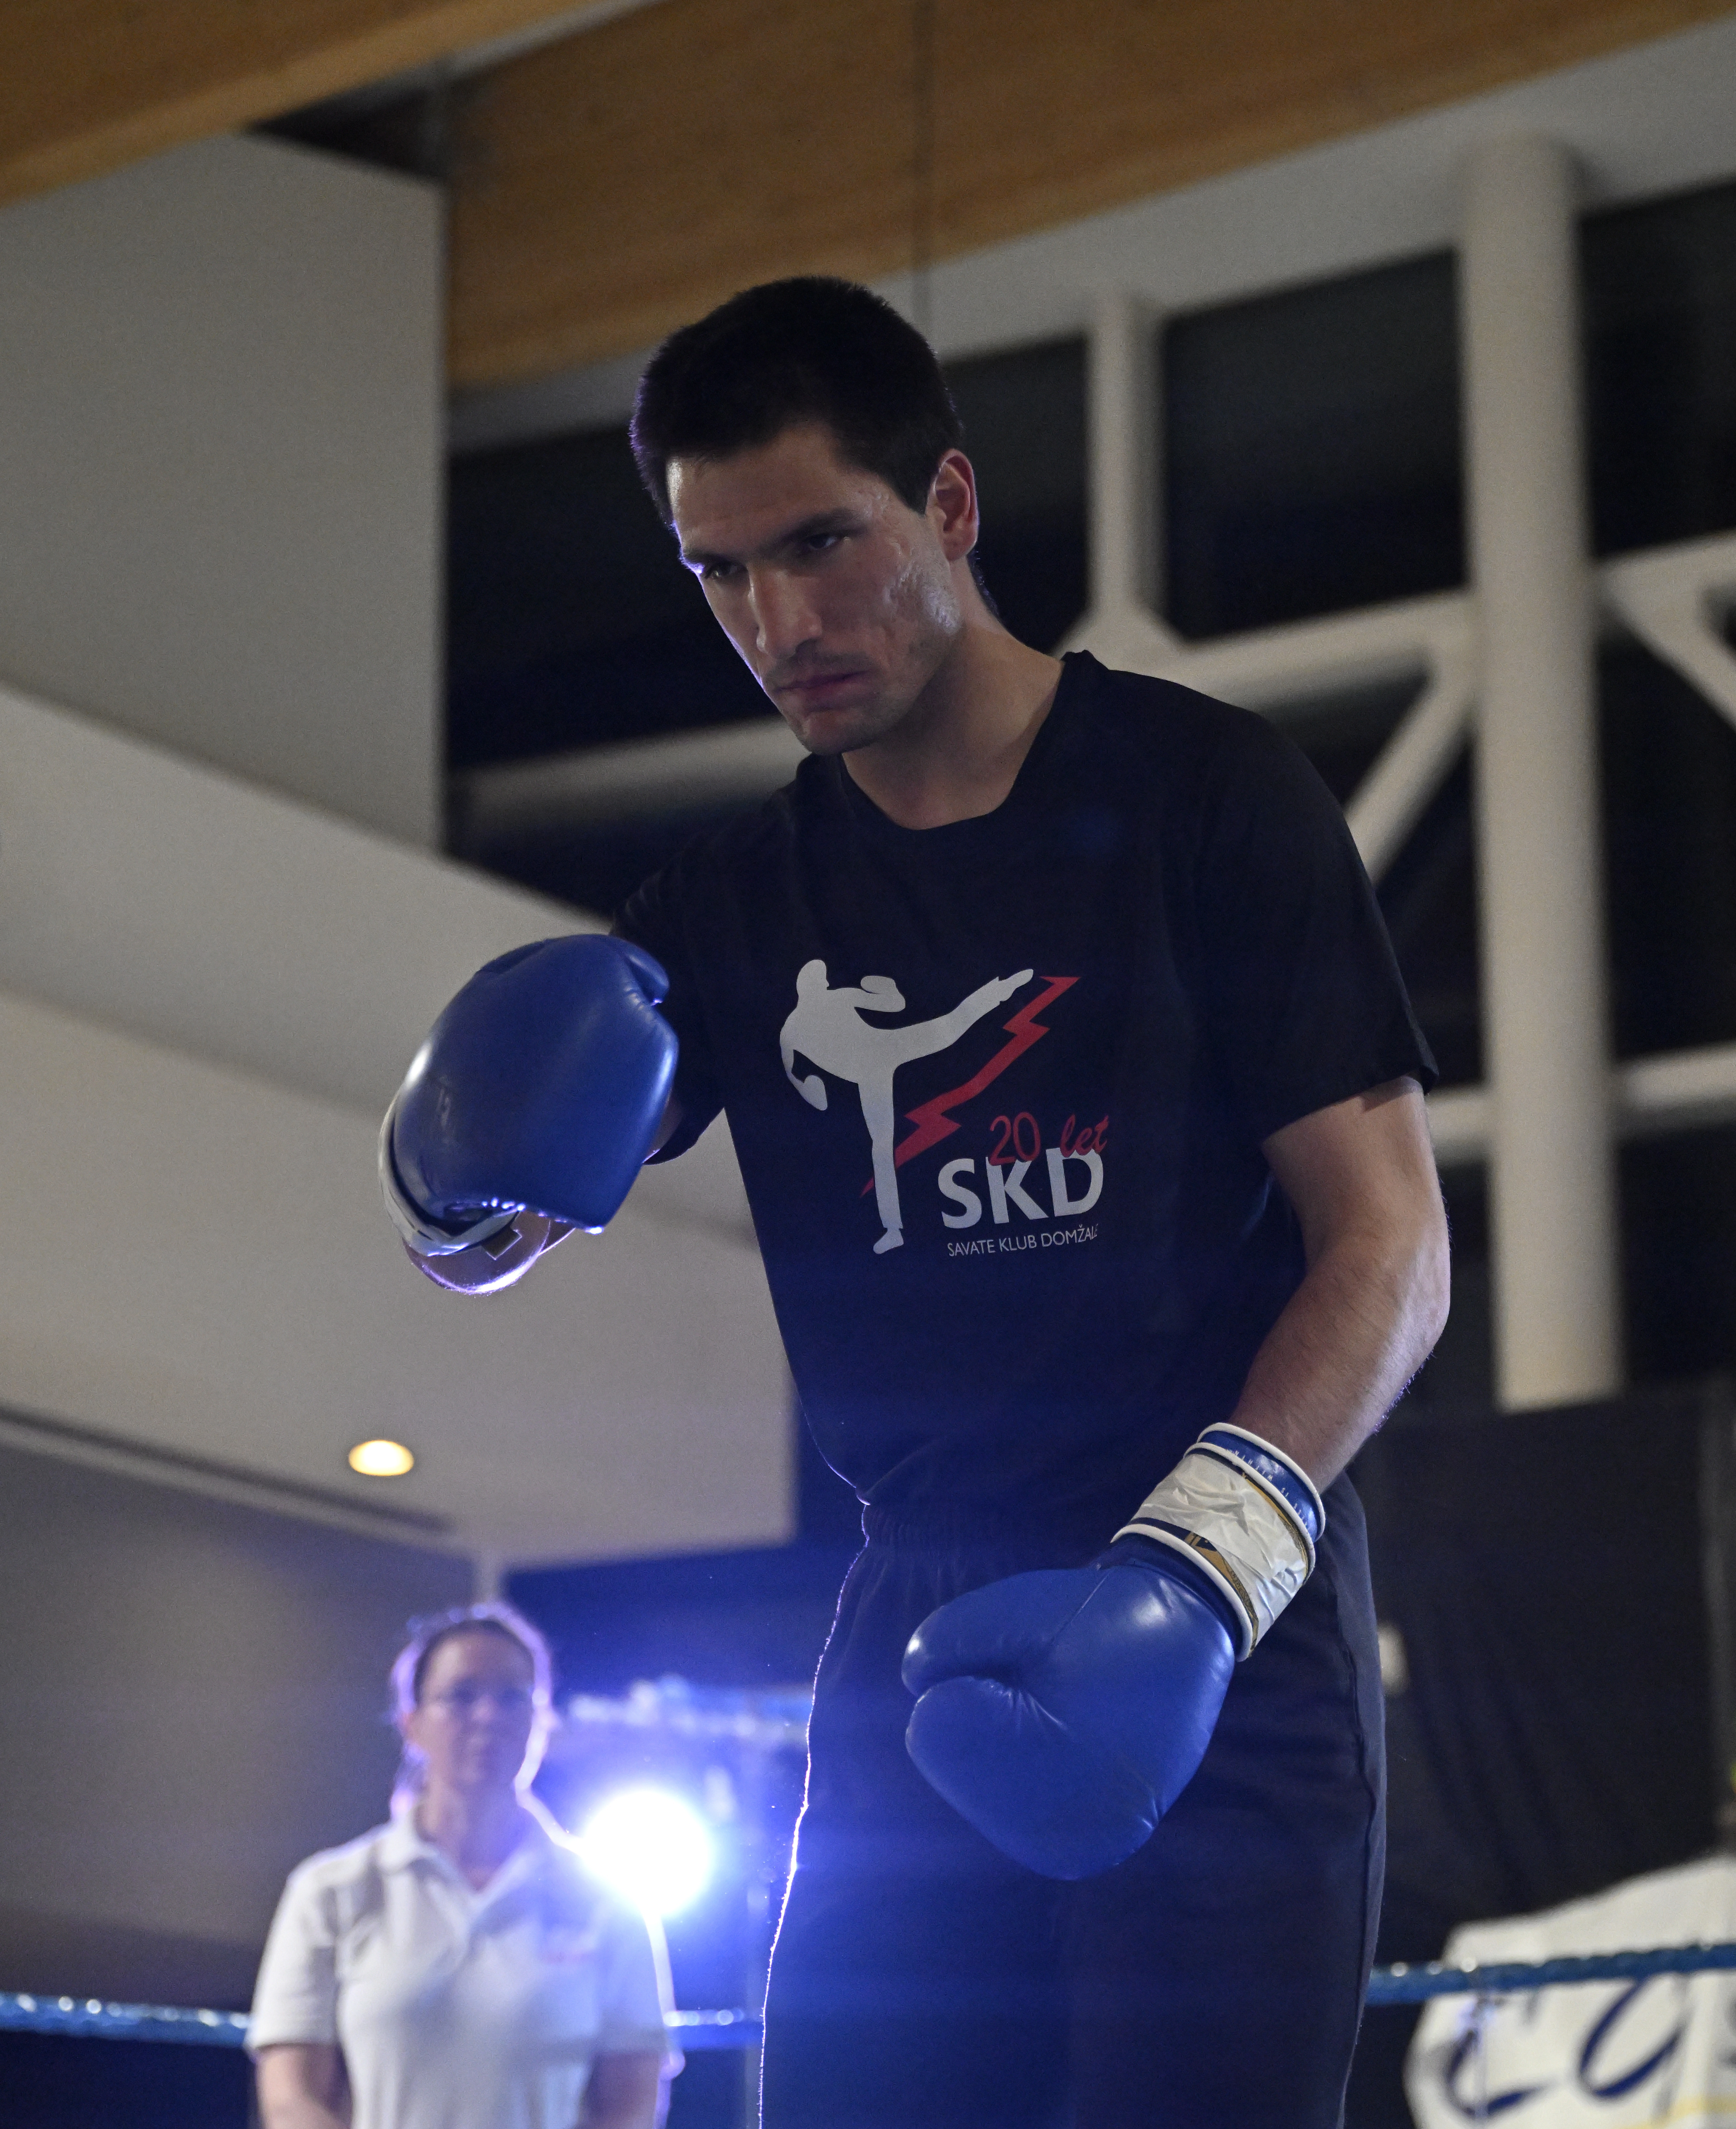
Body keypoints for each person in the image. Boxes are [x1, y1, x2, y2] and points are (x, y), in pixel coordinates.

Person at [381, 277, 1451, 2126]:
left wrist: (1193, 1579)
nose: (779, 622)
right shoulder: (731, 907)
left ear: (948, 505)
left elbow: (1392, 1246)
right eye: (721, 572)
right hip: (913, 1615)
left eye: (821, 543)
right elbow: (492, 1240)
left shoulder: (1206, 796)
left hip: (1212, 1605)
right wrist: (452, 1191)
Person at [248, 1604, 675, 2129]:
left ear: (542, 1722)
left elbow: (631, 2105)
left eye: (512, 1697)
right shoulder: (331, 1891)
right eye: (462, 1696)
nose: (488, 1717)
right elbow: (291, 2098)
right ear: (411, 1723)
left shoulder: (609, 1903)